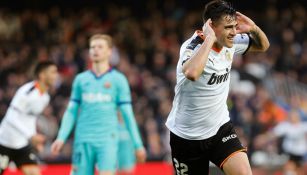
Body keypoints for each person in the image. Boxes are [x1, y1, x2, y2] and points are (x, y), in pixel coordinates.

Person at [165, 0, 270, 174]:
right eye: (228, 27)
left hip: (220, 128)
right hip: (186, 136)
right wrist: (210, 39)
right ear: (211, 27)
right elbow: (191, 73)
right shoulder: (191, 47)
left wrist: (253, 28)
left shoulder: (230, 42)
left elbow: (263, 45)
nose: (234, 32)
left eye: (235, 26)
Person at [51, 34, 146, 175]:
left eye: (100, 47)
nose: (95, 50)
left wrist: (138, 144)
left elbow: (127, 114)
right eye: (92, 47)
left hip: (107, 140)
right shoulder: (80, 80)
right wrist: (61, 137)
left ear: (109, 51)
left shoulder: (118, 80)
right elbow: (71, 111)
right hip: (83, 140)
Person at [0, 61, 58, 175]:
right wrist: (31, 136)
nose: (55, 75)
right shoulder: (27, 92)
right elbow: (11, 117)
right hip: (4, 142)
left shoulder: (45, 97)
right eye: (52, 72)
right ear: (42, 75)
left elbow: (31, 119)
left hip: (22, 145)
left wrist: (33, 138)